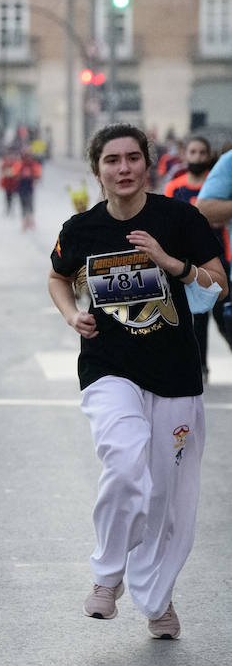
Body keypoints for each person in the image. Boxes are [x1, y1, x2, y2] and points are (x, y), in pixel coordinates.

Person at [47, 124, 227, 639]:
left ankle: (157, 601)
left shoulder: (179, 218)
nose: (122, 168)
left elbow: (219, 283)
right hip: (108, 367)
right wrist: (69, 315)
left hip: (174, 375)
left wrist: (173, 264)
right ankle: (107, 578)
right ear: (97, 169)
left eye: (132, 158)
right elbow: (58, 275)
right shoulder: (81, 228)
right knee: (125, 464)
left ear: (147, 164)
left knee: (166, 497)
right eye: (111, 160)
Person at [163, 137, 229, 375]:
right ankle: (200, 366)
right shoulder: (175, 186)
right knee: (197, 316)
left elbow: (220, 218)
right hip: (188, 261)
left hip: (221, 256)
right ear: (185, 155)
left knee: (224, 315)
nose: (198, 157)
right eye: (193, 151)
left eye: (203, 152)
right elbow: (169, 222)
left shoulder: (217, 183)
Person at [15, 151, 42, 232]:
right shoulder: (21, 164)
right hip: (23, 187)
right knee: (26, 205)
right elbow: (15, 174)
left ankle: (29, 222)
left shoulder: (32, 165)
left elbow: (38, 174)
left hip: (27, 187)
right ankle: (27, 222)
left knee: (28, 204)